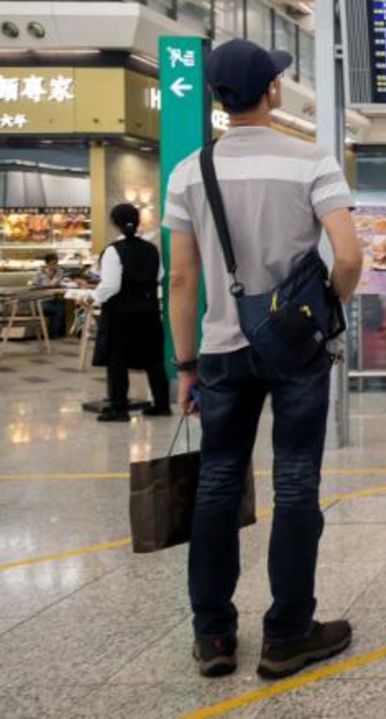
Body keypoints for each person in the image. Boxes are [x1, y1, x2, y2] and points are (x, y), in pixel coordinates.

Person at [163, 39, 363, 680]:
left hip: (221, 350)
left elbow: (182, 281)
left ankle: (214, 636)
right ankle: (287, 634)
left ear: (219, 98)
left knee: (218, 485)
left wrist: (185, 364)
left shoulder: (192, 171)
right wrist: (325, 308)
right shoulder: (310, 161)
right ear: (271, 92)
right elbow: (351, 256)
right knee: (297, 484)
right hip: (296, 351)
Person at [89, 204, 170, 422]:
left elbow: (111, 285)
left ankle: (119, 408)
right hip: (149, 312)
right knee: (154, 360)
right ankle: (162, 405)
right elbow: (159, 277)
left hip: (120, 314)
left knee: (117, 361)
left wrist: (94, 297)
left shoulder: (113, 250)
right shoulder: (152, 250)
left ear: (114, 222)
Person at [33, 253, 67, 339]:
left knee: (63, 304)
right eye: (51, 264)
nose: (53, 266)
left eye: (55, 263)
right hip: (41, 300)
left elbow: (62, 282)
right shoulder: (39, 273)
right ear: (46, 263)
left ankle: (60, 332)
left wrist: (62, 279)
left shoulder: (59, 272)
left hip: (53, 298)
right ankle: (53, 333)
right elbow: (34, 287)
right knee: (59, 308)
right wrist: (52, 283)